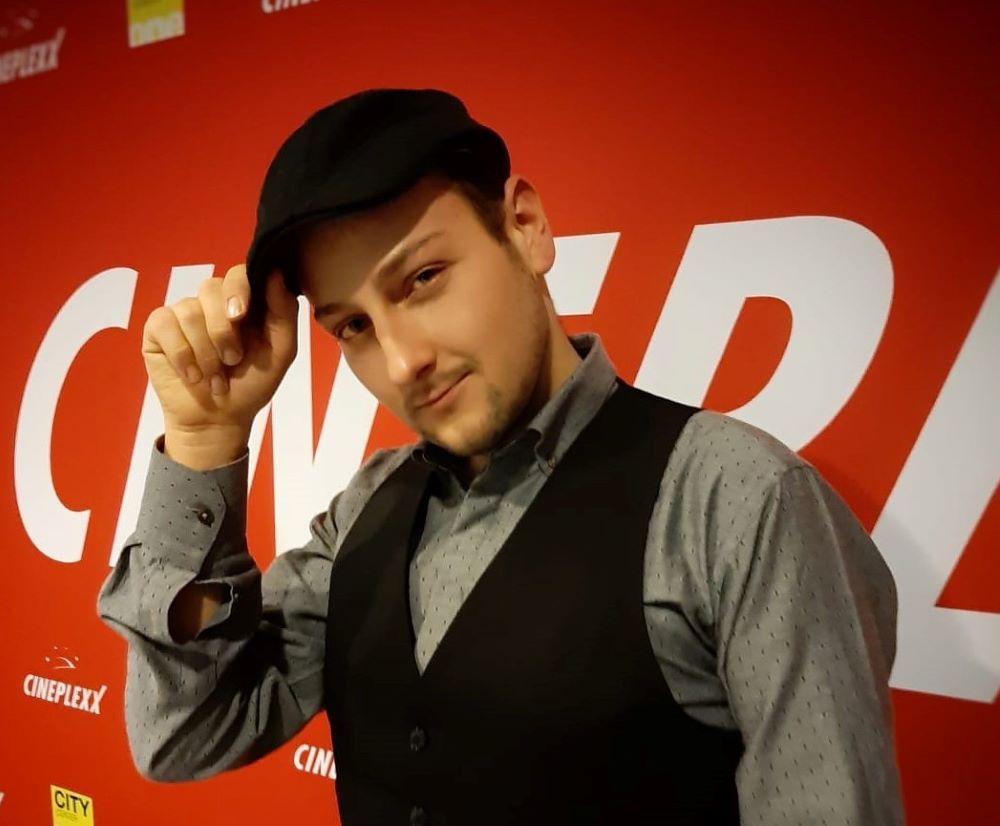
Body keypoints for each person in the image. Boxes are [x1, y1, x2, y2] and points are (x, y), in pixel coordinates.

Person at [98, 88, 904, 825]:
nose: (402, 361)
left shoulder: (737, 500)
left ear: (525, 226)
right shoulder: (367, 507)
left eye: (423, 277)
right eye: (354, 326)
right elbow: (185, 734)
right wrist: (203, 442)